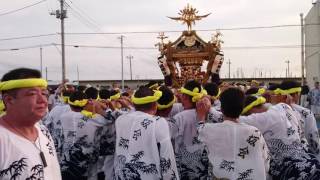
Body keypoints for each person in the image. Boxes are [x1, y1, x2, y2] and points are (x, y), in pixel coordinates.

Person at [0, 68, 61, 179]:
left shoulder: (43, 130)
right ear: (9, 100)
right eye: (32, 94)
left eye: (44, 93)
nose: (43, 100)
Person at [197, 88, 270, 180]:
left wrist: (202, 116)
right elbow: (266, 162)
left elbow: (200, 130)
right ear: (242, 108)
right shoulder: (255, 132)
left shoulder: (209, 129)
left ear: (221, 109)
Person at [114, 86, 179, 179]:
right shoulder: (158, 122)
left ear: (134, 103)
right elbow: (167, 158)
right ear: (155, 105)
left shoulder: (120, 120)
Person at [168, 80, 211, 179]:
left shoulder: (179, 117)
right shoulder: (210, 113)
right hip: (205, 167)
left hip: (184, 169)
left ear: (185, 97)